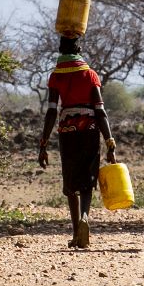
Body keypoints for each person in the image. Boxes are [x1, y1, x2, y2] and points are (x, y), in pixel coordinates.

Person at [38, 34, 117, 248]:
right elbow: (100, 111)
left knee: (70, 178)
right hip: (89, 129)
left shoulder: (56, 76)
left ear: (60, 50)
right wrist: (110, 142)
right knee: (87, 179)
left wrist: (43, 143)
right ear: (79, 50)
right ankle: (85, 217)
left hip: (67, 130)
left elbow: (51, 111)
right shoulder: (90, 75)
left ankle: (75, 233)